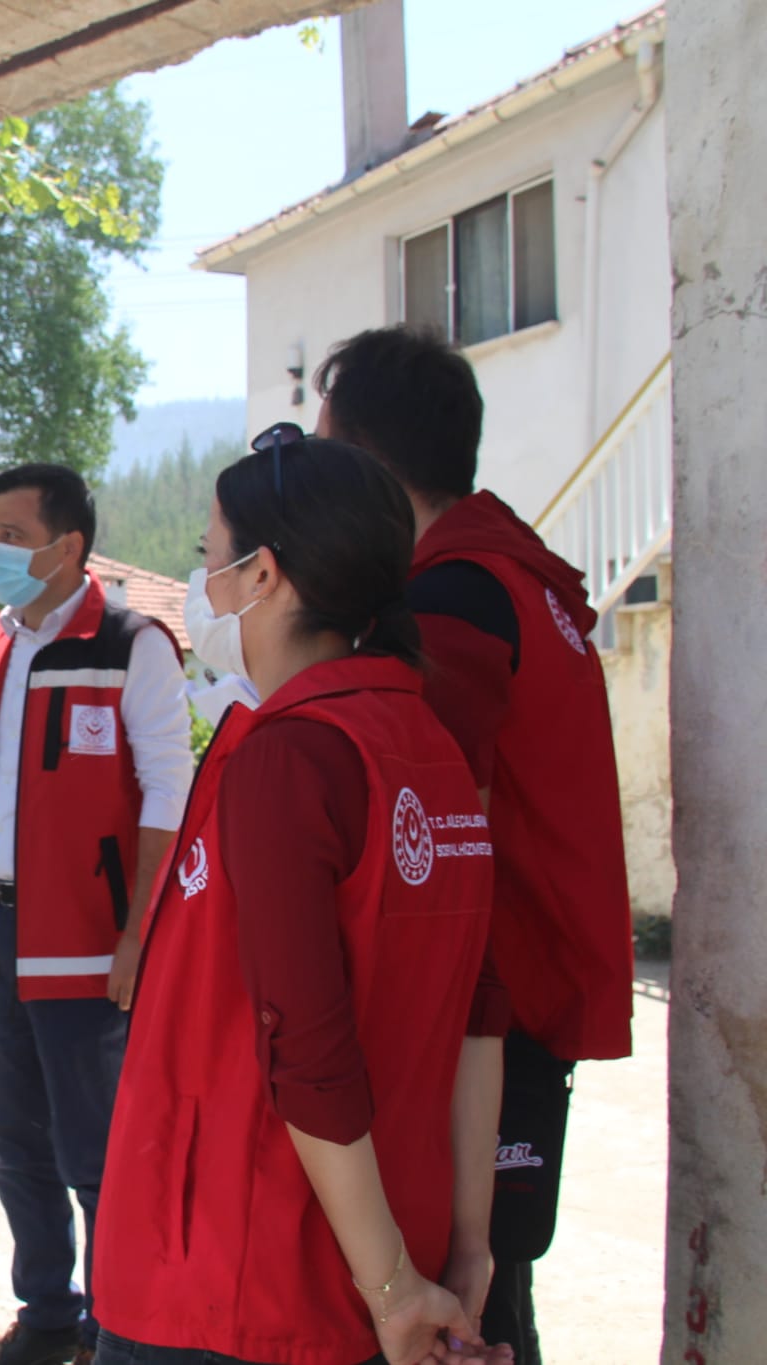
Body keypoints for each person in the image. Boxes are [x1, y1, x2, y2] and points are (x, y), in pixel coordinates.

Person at [92, 429, 510, 1365]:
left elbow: (308, 1051)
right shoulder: (428, 744)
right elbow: (480, 1018)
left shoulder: (293, 755)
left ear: (265, 574)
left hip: (239, 1282)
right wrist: (461, 1247)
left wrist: (398, 1286)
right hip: (371, 1262)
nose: (202, 585)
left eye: (209, 560)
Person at [316, 326, 637, 1363]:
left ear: (360, 458)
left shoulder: (452, 599)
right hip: (522, 995)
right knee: (492, 1290)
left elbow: (427, 831)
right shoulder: (513, 576)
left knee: (470, 1302)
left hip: (489, 1012)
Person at [0, 463, 193, 1365]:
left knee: (97, 1152)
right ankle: (47, 1312)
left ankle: (120, 1323)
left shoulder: (130, 643)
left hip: (85, 940)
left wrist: (137, 933)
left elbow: (169, 790)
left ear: (67, 546)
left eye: (10, 534)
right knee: (13, 1141)